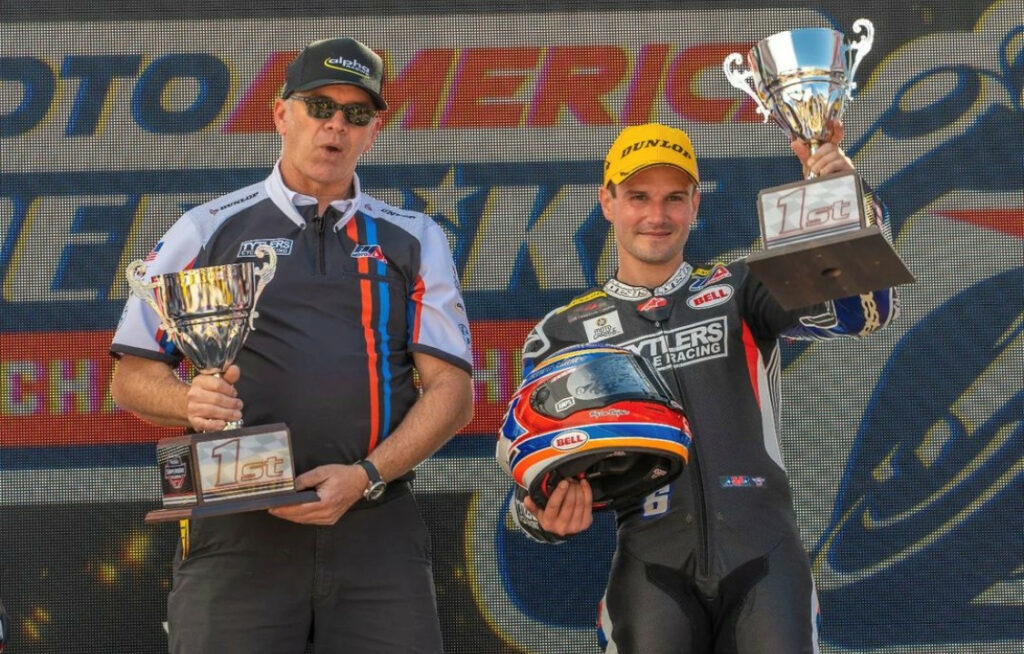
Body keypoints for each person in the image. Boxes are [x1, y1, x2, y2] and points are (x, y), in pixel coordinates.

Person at [110, 37, 473, 654]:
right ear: (281, 114)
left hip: (374, 523)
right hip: (235, 526)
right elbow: (129, 374)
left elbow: (454, 394)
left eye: (357, 113)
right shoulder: (207, 226)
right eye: (319, 106)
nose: (336, 125)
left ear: (374, 129)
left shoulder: (415, 237)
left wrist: (365, 475)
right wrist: (189, 403)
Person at [505, 122, 898, 653]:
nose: (656, 216)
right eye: (638, 197)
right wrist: (542, 515)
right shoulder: (563, 332)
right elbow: (529, 469)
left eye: (673, 198)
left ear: (694, 203)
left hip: (766, 556)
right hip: (651, 566)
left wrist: (841, 190)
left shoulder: (741, 286)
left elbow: (864, 310)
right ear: (607, 201)